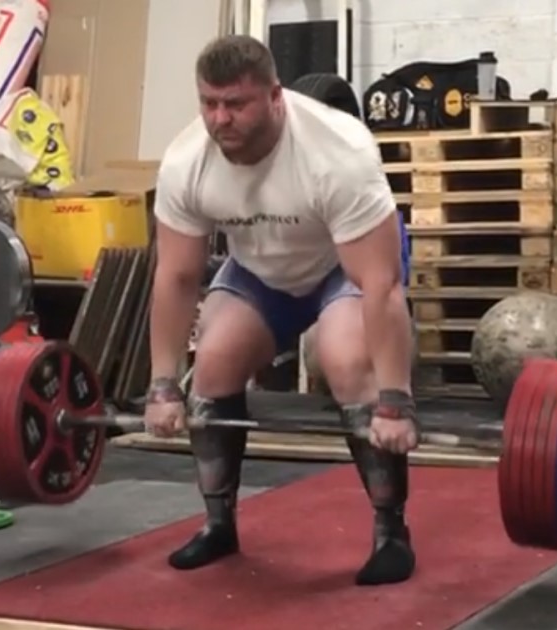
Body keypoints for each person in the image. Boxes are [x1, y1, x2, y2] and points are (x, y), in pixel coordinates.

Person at [143, 34, 419, 587]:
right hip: (261, 270)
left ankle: (391, 530)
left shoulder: (337, 151)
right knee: (214, 361)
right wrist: (163, 385)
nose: (220, 119)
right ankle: (219, 523)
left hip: (344, 265)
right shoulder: (185, 161)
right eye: (209, 103)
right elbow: (175, 276)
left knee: (346, 361)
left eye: (236, 104)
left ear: (274, 97)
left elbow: (381, 286)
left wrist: (394, 400)